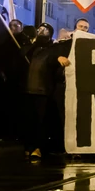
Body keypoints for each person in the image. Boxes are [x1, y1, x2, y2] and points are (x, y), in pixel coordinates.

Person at [19, 23, 69, 158]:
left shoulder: (53, 49)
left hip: (43, 90)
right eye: (40, 29)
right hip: (27, 90)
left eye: (45, 30)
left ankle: (38, 147)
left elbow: (53, 59)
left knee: (41, 121)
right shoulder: (30, 49)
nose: (41, 31)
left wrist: (58, 58)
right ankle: (29, 146)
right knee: (28, 120)